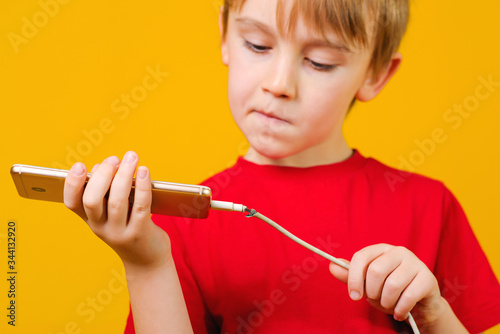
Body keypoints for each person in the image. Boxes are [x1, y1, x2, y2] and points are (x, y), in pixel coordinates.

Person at [64, 0, 500, 333]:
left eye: (320, 62)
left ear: (376, 74)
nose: (279, 84)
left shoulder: (428, 206)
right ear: (223, 35)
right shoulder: (183, 222)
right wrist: (146, 265)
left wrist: (435, 313)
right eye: (257, 44)